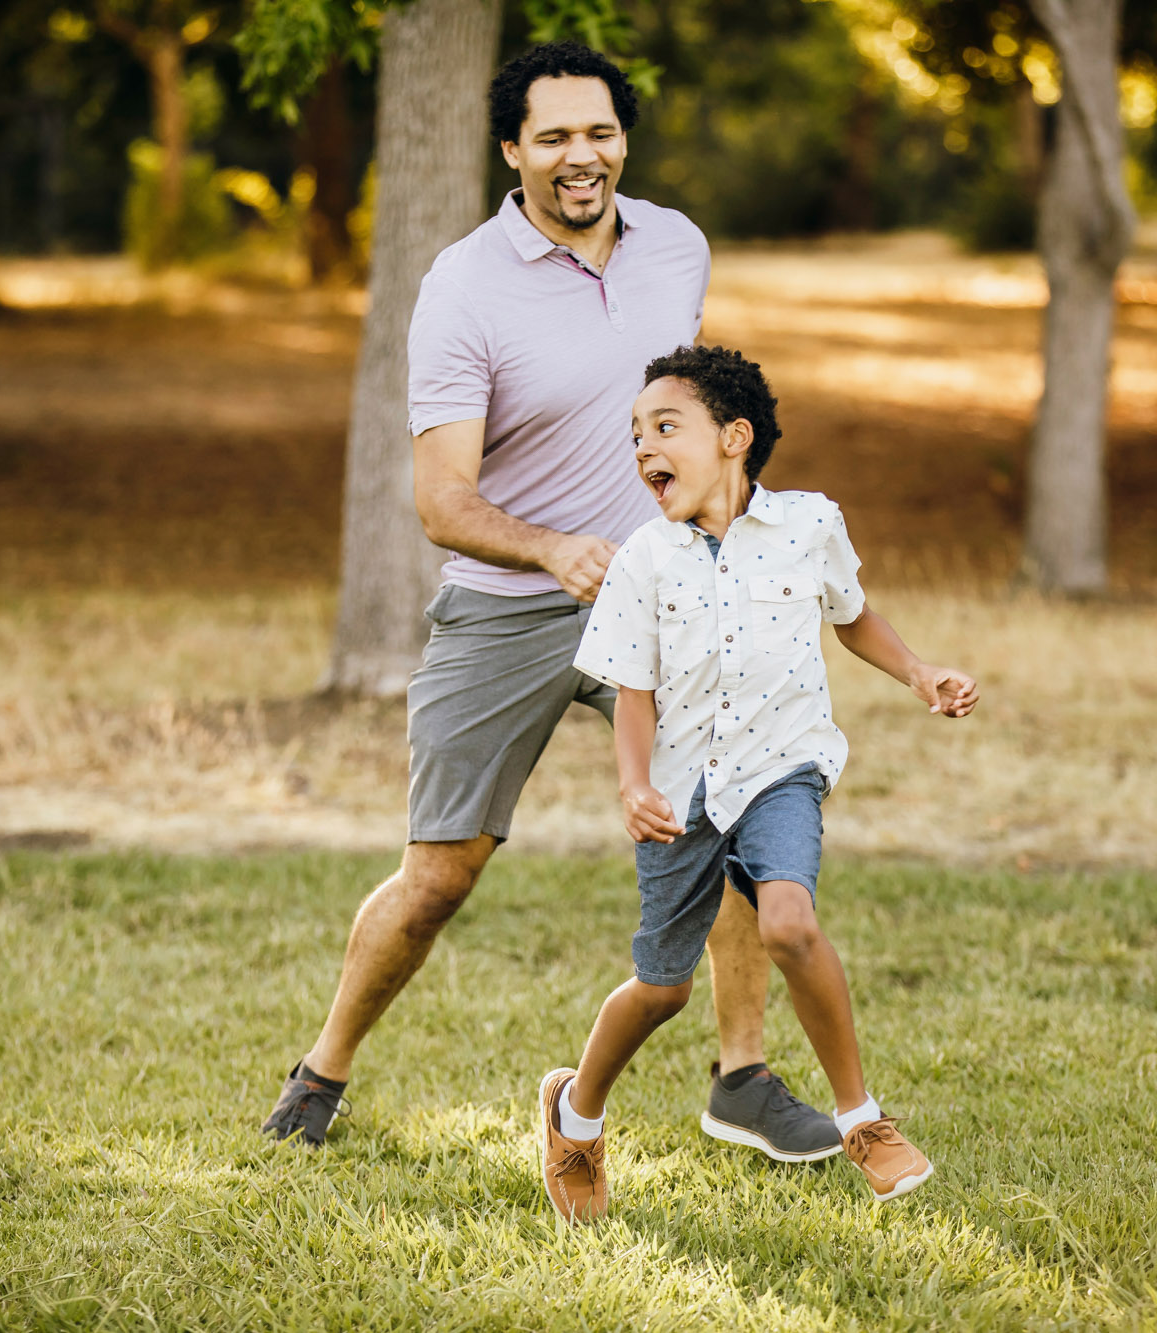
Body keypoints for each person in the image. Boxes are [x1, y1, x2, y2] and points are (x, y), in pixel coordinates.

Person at [261, 44, 842, 1163]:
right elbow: (439, 500)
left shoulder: (674, 246)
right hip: (510, 606)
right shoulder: (463, 286)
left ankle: (743, 1078)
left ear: (622, 138)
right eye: (555, 138)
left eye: (600, 133)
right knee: (439, 874)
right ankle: (321, 1069)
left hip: (665, 603)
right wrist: (552, 549)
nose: (582, 157)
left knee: (725, 818)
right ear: (511, 152)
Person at [536, 345, 980, 1222]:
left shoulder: (809, 525)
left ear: (735, 438)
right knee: (661, 988)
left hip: (783, 765)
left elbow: (854, 619)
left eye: (665, 427)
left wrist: (920, 673)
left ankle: (861, 1119)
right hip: (683, 789)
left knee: (788, 921)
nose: (642, 448)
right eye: (635, 434)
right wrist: (633, 785)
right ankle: (574, 1114)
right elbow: (632, 691)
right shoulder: (643, 560)